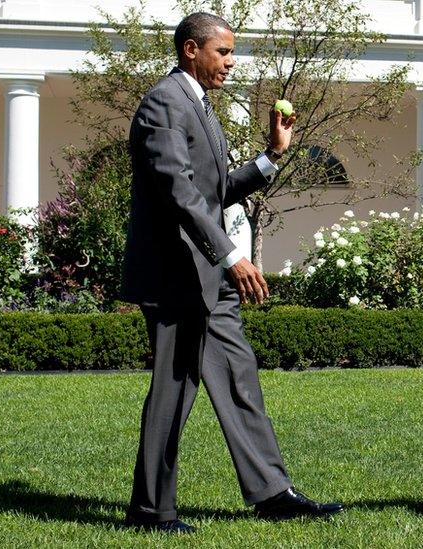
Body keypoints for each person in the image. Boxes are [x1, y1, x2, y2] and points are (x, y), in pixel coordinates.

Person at [121, 12, 343, 534]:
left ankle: (273, 493)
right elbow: (179, 190)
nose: (230, 61)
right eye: (223, 51)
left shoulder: (199, 108)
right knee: (173, 390)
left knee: (240, 379)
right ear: (190, 50)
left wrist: (271, 156)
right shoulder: (164, 104)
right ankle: (151, 511)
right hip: (176, 275)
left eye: (231, 52)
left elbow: (216, 188)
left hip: (210, 279)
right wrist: (231, 255)